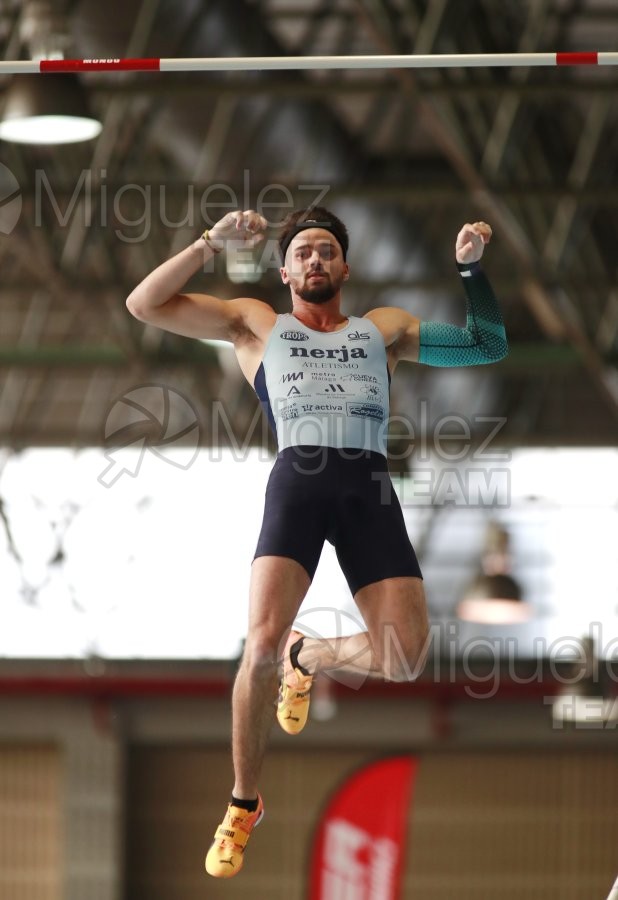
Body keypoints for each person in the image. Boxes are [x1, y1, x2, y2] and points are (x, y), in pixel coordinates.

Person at [125, 206, 508, 878]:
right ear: (284, 269)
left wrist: (471, 268)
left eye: (326, 250)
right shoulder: (255, 323)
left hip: (368, 487)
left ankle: (314, 654)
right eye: (302, 251)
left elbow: (486, 346)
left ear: (345, 267)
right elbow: (144, 303)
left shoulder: (381, 332)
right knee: (260, 645)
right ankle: (244, 804)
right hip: (297, 483)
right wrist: (210, 243)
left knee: (406, 655)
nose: (314, 260)